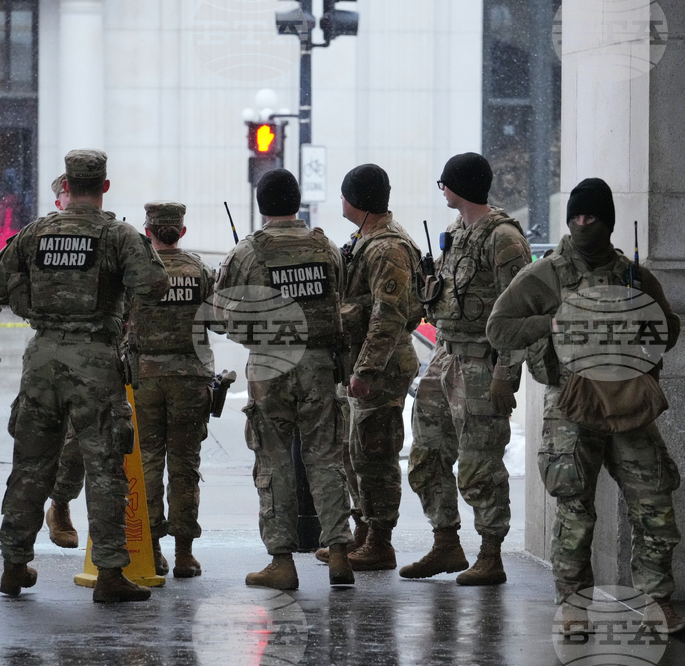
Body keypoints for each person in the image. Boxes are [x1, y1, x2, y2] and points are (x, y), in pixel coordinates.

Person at [486, 177, 685, 635]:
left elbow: (670, 330)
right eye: (576, 218)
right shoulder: (547, 273)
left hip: (628, 399)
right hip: (574, 401)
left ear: (608, 222)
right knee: (575, 510)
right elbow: (499, 328)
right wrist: (554, 322)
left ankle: (657, 603)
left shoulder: (633, 274)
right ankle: (574, 605)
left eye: (592, 218)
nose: (583, 225)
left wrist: (641, 319)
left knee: (655, 504)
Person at [0, 150, 169, 603]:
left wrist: (14, 307)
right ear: (105, 186)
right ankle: (111, 573)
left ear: (66, 185)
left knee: (31, 465)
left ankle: (14, 564)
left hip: (42, 358)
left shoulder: (36, 232)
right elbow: (154, 286)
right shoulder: (116, 234)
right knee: (104, 465)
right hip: (94, 357)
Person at [215, 169, 354, 589]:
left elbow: (221, 316)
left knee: (273, 461)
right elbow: (339, 299)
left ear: (261, 206)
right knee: (326, 459)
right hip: (318, 364)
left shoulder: (246, 253)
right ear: (298, 203)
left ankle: (281, 562)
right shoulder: (325, 247)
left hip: (270, 365)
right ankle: (341, 554)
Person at [402, 152, 531, 586]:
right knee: (425, 453)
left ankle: (490, 554)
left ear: (461, 185)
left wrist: (505, 374)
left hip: (481, 361)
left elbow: (521, 312)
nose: (441, 188)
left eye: (446, 182)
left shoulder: (504, 239)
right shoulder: (457, 232)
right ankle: (446, 543)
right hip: (445, 356)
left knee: (480, 464)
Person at [0, 172, 87, 550]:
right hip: (47, 350)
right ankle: (16, 555)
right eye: (63, 194)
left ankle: (61, 505)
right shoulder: (36, 235)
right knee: (34, 448)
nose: (68, 200)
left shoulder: (109, 235)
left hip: (96, 352)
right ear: (59, 199)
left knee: (83, 445)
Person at [323, 163, 424, 572]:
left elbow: (389, 315)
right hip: (361, 363)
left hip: (381, 368)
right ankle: (363, 533)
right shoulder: (364, 240)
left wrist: (365, 370)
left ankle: (380, 541)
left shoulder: (387, 248)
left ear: (357, 200)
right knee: (354, 453)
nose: (341, 201)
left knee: (375, 455)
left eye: (345, 194)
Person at [128, 201, 215, 578]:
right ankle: (184, 554)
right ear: (181, 231)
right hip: (190, 378)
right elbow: (220, 320)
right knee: (185, 466)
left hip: (144, 376)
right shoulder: (198, 270)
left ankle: (152, 550)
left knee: (148, 461)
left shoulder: (137, 272)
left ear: (148, 231)